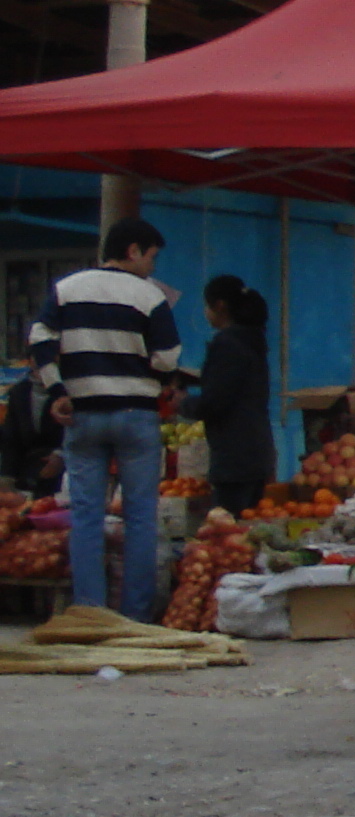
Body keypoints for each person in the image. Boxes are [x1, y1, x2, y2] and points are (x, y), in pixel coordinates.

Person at [37, 217, 183, 623]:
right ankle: (133, 617)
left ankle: (89, 612)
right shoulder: (149, 295)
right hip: (136, 416)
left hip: (82, 416)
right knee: (140, 517)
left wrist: (56, 390)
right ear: (133, 250)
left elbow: (39, 336)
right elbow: (168, 356)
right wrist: (149, 377)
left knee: (86, 516)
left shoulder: (66, 289)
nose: (153, 267)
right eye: (151, 257)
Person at [190, 276, 275, 518]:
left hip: (234, 456)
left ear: (220, 306)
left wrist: (183, 404)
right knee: (248, 529)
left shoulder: (227, 344)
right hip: (257, 451)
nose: (205, 312)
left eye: (206, 305)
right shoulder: (254, 341)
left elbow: (215, 402)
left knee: (227, 531)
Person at [3, 318, 66, 495]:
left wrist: (61, 455)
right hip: (27, 472)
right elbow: (11, 438)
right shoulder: (19, 393)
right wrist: (6, 478)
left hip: (65, 475)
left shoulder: (69, 392)